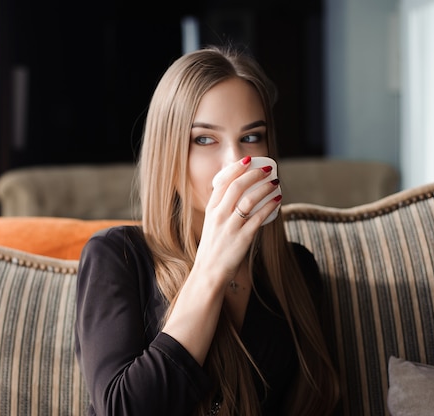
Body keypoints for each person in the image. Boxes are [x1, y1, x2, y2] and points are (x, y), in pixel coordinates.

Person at [74, 45, 340, 415]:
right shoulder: (117, 256)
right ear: (170, 153)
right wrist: (212, 269)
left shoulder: (296, 272)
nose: (235, 161)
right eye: (204, 139)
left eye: (251, 138)